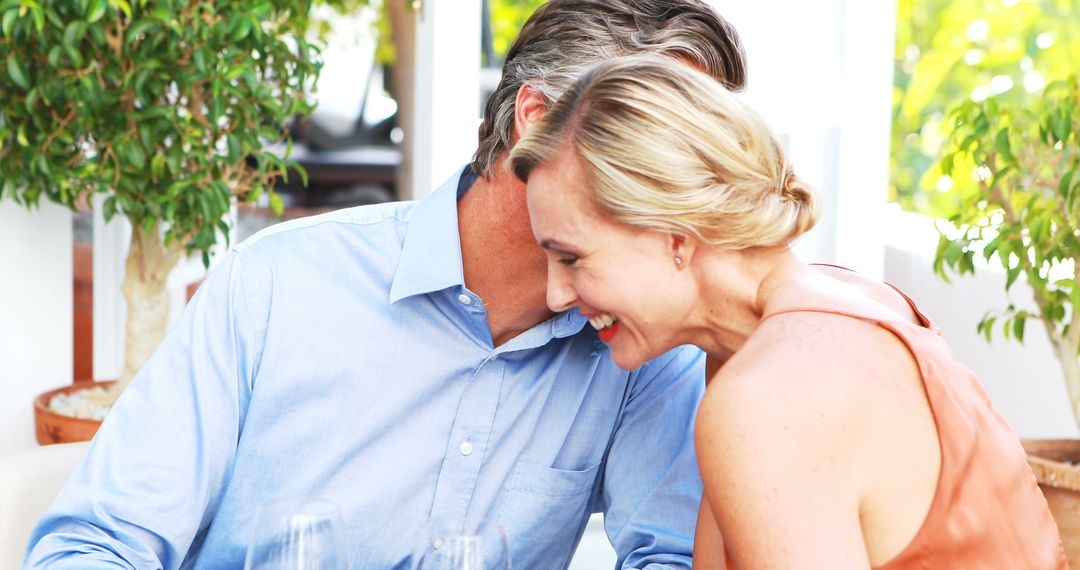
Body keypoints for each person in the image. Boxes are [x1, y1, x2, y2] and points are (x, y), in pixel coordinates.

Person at [25, 2, 748, 569]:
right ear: (537, 122)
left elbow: (669, 557)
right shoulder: (277, 284)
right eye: (658, 146)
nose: (684, 188)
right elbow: (94, 548)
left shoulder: (644, 344)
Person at [511, 55, 1066, 569]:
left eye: (572, 258)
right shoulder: (834, 310)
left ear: (673, 235)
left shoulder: (770, 395)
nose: (557, 296)